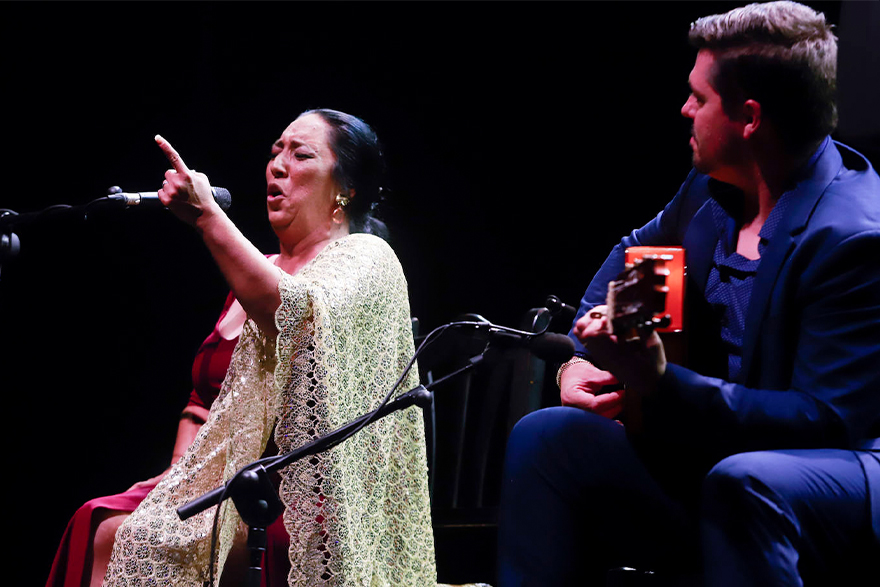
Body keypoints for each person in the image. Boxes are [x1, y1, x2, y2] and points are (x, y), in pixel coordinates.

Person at [497, 3, 880, 586]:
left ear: (749, 117)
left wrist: (659, 381)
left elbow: (820, 419)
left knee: (746, 480)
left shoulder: (852, 237)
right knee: (547, 437)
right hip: (720, 450)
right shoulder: (711, 191)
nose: (685, 110)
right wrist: (583, 355)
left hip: (831, 475)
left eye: (699, 98)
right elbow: (637, 254)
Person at [53, 108, 437, 587]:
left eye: (301, 155)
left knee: (119, 535)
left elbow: (294, 314)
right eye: (276, 152)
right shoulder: (255, 272)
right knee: (95, 516)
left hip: (298, 502)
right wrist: (174, 482)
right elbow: (202, 403)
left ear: (346, 187)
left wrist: (206, 216)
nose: (277, 165)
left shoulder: (365, 258)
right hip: (214, 484)